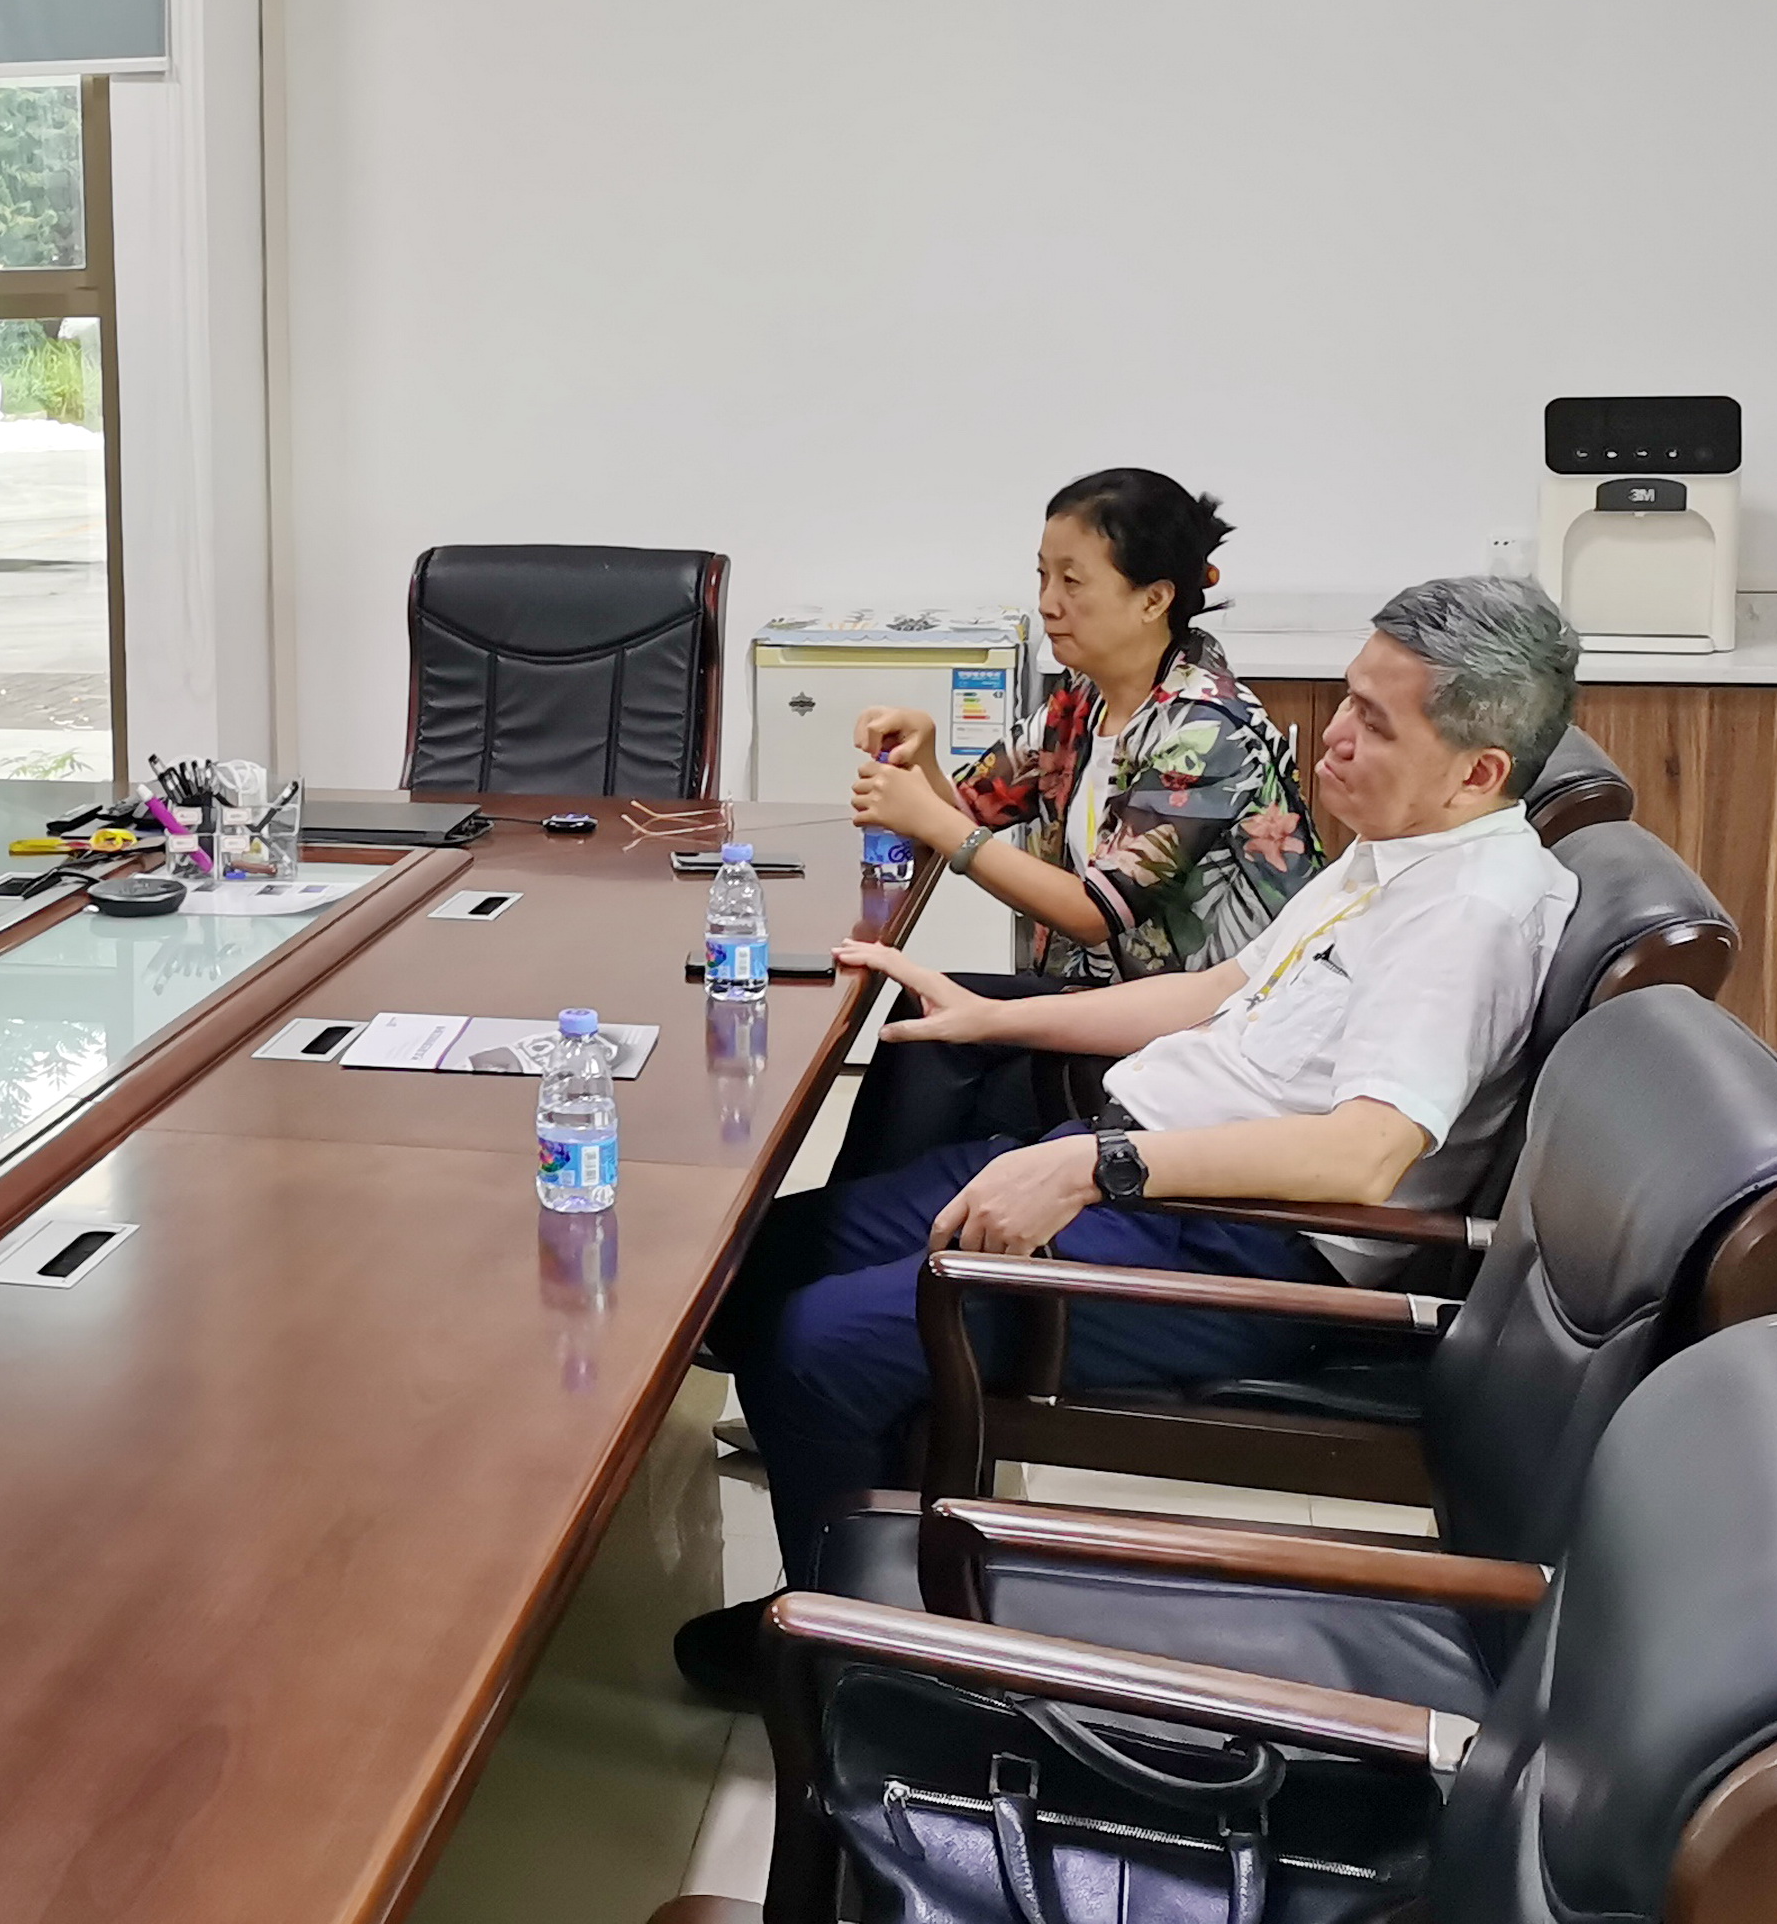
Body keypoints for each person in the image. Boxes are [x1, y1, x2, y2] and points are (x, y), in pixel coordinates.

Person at [677, 577, 1583, 1695]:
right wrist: (992, 1017)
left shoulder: (1470, 915)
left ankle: (849, 1657)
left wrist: (1096, 1166)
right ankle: (878, 1559)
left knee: (818, 1343)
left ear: (1479, 772)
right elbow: (1217, 990)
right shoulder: (1395, 850)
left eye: (1374, 722)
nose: (1334, 737)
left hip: (1236, 1244)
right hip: (1141, 1173)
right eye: (1348, 699)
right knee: (766, 1257)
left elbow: (1364, 1155)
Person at [837, 469, 1318, 1179]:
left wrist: (932, 820)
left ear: (1153, 599)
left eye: (1072, 581)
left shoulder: (1207, 728)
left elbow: (1094, 911)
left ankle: (862, 1223)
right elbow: (970, 810)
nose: (1048, 603)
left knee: (941, 1049)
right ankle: (864, 1220)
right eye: (1042, 576)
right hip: (1102, 1001)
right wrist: (927, 759)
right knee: (927, 1021)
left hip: (1200, 1029)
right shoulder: (1082, 700)